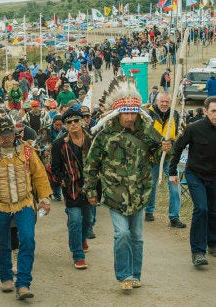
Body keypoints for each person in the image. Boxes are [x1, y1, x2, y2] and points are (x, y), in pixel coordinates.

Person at [83, 77, 172, 291]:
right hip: (115, 195)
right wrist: (91, 192)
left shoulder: (147, 131)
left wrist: (167, 149)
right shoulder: (104, 136)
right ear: (118, 113)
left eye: (133, 113)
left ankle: (135, 274)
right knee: (121, 234)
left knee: (137, 237)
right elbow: (91, 165)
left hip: (140, 193)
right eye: (126, 113)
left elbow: (161, 153)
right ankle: (124, 275)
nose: (130, 117)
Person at [0, 117, 52, 300]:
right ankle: (5, 278)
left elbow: (39, 175)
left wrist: (44, 199)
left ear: (15, 134)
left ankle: (23, 283)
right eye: (2, 136)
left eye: (9, 135)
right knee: (2, 242)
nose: (6, 139)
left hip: (24, 202)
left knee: (27, 239)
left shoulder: (27, 150)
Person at [169, 97, 216, 266]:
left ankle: (213, 243)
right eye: (213, 111)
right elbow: (178, 148)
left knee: (213, 211)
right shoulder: (193, 128)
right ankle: (197, 251)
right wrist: (172, 171)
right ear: (205, 111)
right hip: (195, 174)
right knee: (201, 209)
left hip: (214, 176)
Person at [50, 108, 93, 269]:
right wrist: (64, 180)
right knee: (75, 220)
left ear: (82, 121)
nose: (73, 124)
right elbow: (54, 168)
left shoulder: (92, 139)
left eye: (76, 121)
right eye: (69, 122)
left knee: (88, 219)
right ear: (65, 125)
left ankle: (82, 239)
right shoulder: (59, 144)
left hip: (91, 188)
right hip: (72, 189)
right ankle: (78, 255)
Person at [144, 92, 186, 228]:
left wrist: (172, 145)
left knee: (175, 185)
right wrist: (158, 145)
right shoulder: (148, 115)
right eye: (162, 101)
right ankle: (149, 210)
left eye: (167, 102)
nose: (164, 104)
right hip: (153, 156)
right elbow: (145, 136)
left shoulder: (174, 114)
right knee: (152, 183)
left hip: (170, 156)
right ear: (156, 101)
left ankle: (174, 216)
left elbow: (178, 134)